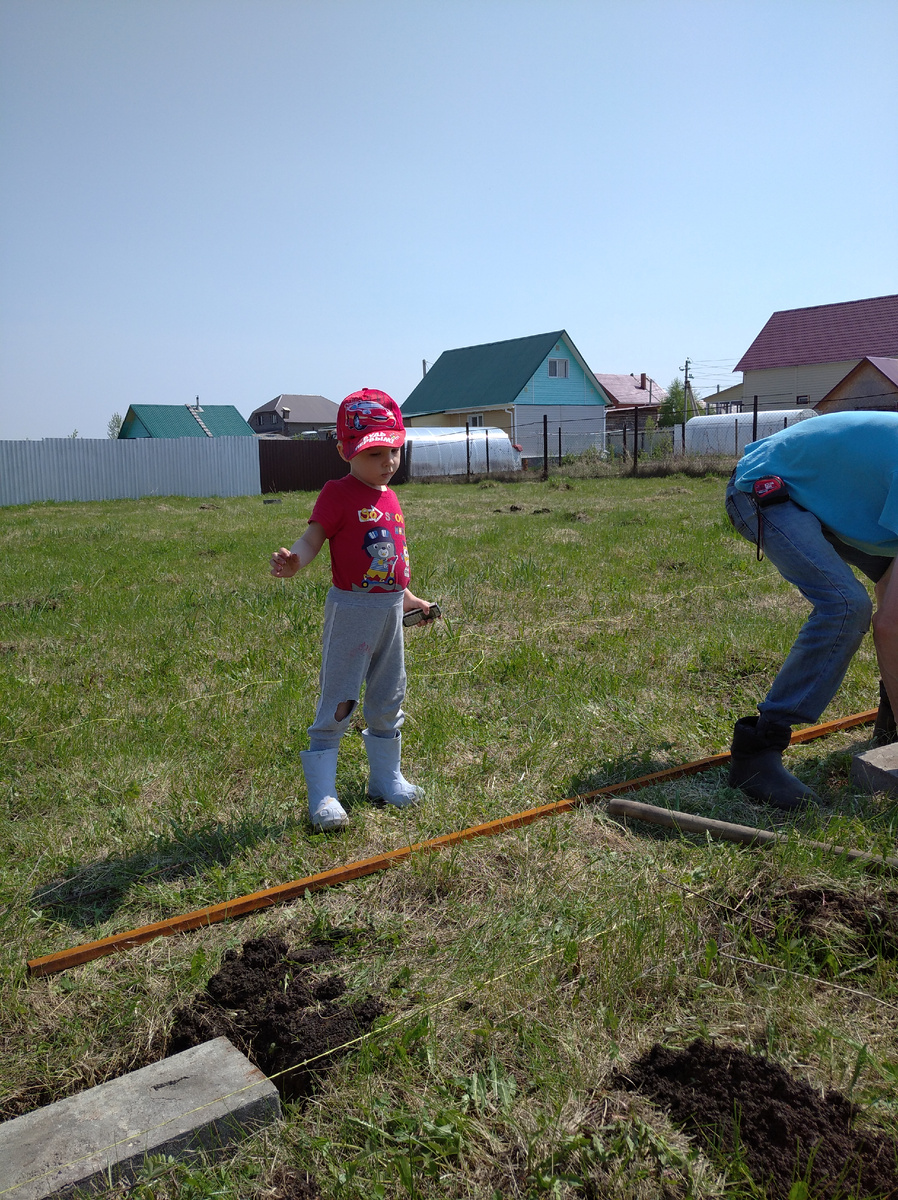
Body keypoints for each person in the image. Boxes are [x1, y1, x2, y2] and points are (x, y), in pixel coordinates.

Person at [270, 389, 432, 830]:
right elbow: (312, 539)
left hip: (388, 618)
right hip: (351, 614)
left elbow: (394, 568)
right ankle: (323, 794)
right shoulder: (337, 493)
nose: (388, 462)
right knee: (340, 698)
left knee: (388, 696)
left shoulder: (392, 499)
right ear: (345, 451)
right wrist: (295, 561)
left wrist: (412, 602)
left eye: (393, 450)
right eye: (375, 452)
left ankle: (385, 779)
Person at [725, 410, 898, 810]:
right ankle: (757, 752)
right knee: (844, 606)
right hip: (765, 486)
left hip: (815, 489)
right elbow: (888, 625)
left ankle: (889, 724)